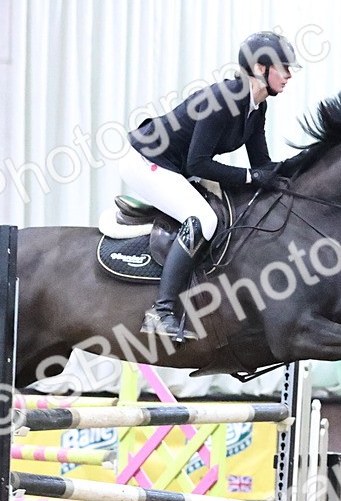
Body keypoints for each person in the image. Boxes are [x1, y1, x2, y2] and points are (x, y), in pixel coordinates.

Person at [121, 31, 299, 341]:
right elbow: (198, 164)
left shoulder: (256, 107)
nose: (289, 75)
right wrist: (251, 177)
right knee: (204, 218)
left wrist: (300, 167)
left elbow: (261, 165)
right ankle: (161, 312)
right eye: (283, 67)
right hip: (146, 159)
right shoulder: (222, 100)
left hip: (175, 166)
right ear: (260, 68)